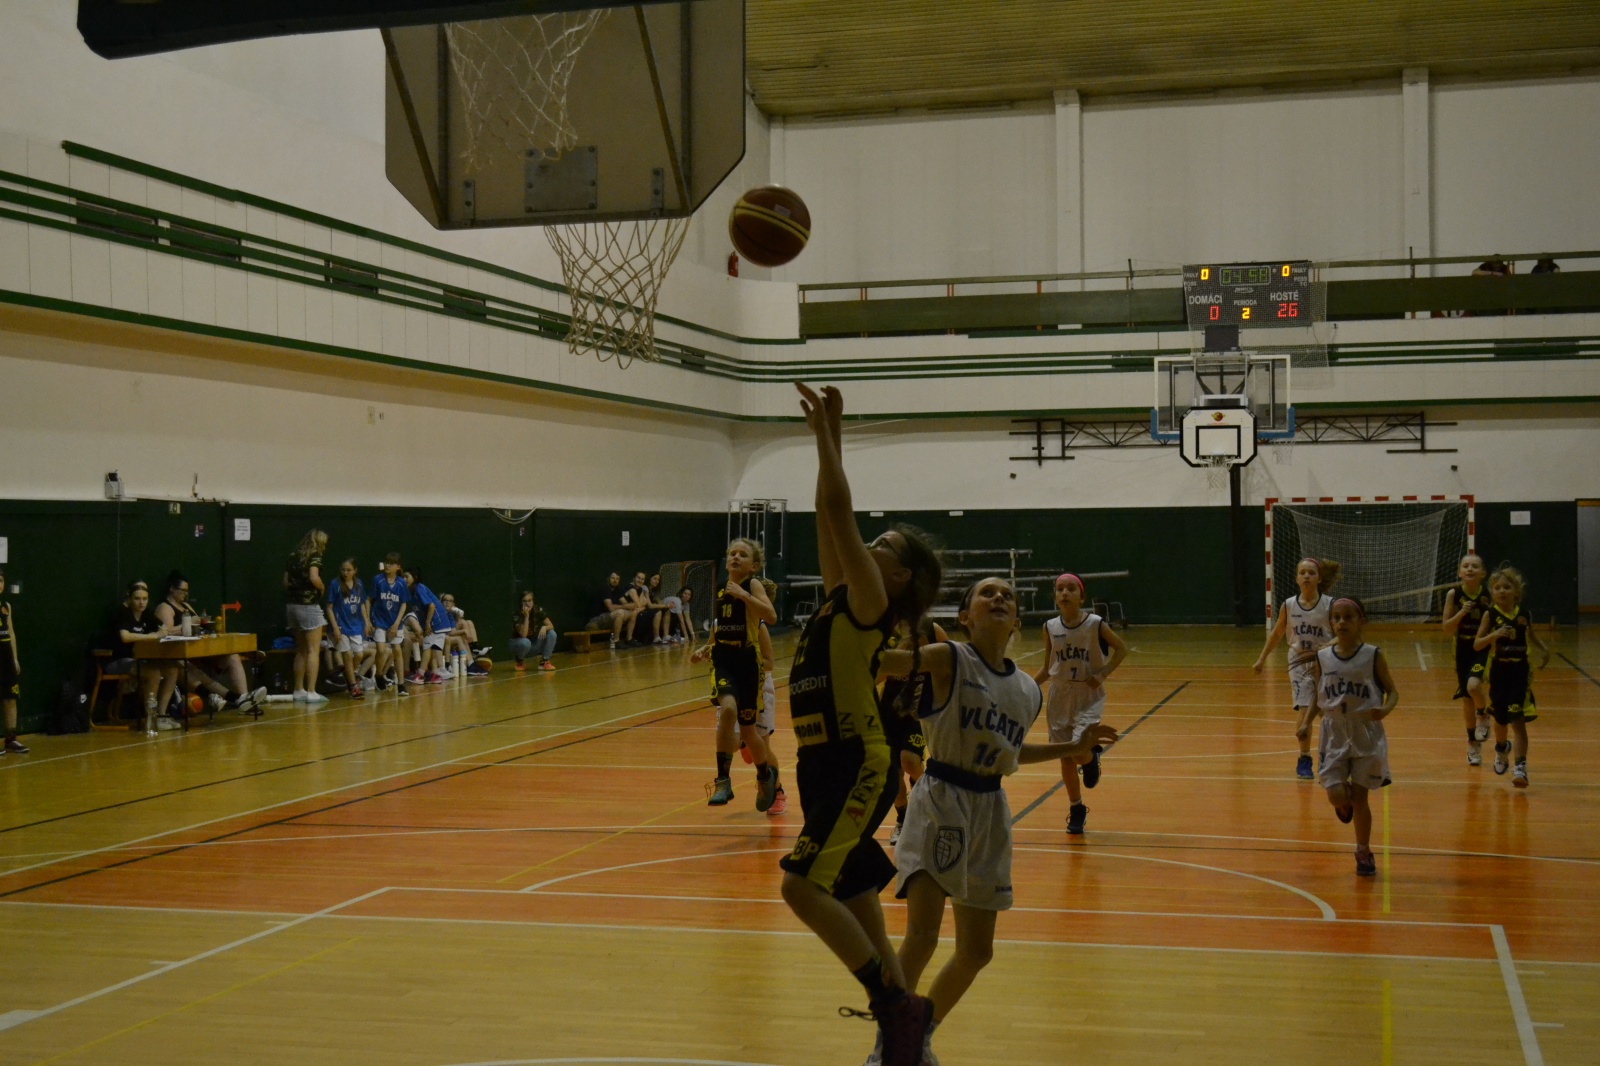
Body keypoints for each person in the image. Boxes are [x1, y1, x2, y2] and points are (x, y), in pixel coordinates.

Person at [884, 577, 1119, 1066]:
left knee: (976, 951)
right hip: (941, 798)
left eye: (1007, 595)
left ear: (1016, 622)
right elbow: (887, 664)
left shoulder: (1027, 691)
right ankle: (887, 1048)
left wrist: (1072, 747)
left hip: (990, 807)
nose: (998, 598)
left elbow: (1012, 753)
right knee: (922, 937)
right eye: (986, 593)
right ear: (965, 618)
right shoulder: (949, 658)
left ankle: (918, 1033)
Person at [778, 383, 944, 1066]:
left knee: (799, 886)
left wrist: (825, 436)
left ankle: (891, 1005)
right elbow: (829, 513)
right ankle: (907, 1044)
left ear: (899, 575)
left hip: (856, 758)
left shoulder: (873, 601)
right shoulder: (843, 595)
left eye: (880, 544)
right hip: (819, 761)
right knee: (860, 907)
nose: (864, 546)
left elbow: (840, 511)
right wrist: (832, 431)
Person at [1033, 572, 1128, 835]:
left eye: (1071, 589)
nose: (1064, 593)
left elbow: (1122, 648)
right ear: (1055, 596)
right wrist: (1025, 687)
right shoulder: (1049, 627)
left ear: (1081, 597)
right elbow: (1047, 668)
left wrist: (1103, 674)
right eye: (1060, 589)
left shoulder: (1095, 624)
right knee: (1065, 756)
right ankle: (1076, 808)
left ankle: (1089, 758)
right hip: (1060, 695)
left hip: (1087, 695)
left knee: (1077, 751)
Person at [1311, 597, 1399, 876]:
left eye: (1348, 617)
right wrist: (1305, 722)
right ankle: (1342, 803)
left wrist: (1384, 709)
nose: (1341, 623)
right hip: (1334, 731)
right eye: (1336, 618)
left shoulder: (1373, 655)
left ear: (1361, 621)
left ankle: (1363, 851)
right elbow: (1317, 694)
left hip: (1365, 731)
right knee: (1336, 794)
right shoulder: (1322, 657)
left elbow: (1393, 692)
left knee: (1361, 798)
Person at [690, 538, 781, 811]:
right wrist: (705, 648)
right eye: (732, 553)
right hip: (724, 662)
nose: (736, 557)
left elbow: (772, 616)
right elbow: (718, 633)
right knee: (727, 709)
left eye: (743, 554)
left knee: (750, 732)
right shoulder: (720, 590)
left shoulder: (751, 586)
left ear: (753, 566)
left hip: (747, 664)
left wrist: (743, 594)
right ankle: (722, 780)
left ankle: (765, 777)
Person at [1252, 557, 1341, 778]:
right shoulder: (1289, 605)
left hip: (1326, 663)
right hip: (1299, 663)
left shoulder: (1330, 605)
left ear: (1319, 578)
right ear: (1296, 578)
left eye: (1311, 573)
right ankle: (1304, 758)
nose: (1306, 576)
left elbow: (1343, 635)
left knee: (1327, 712)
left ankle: (1331, 755)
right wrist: (1261, 659)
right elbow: (1277, 634)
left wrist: (1328, 644)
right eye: (1302, 573)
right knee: (1304, 709)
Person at [1474, 565, 1550, 788]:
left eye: (1506, 587)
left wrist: (1545, 649)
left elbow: (1531, 635)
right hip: (1499, 672)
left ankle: (1520, 767)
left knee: (1518, 720)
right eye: (1497, 587)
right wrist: (1494, 635)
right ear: (1492, 592)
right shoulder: (1490, 614)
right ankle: (1501, 748)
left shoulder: (1524, 614)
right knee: (1500, 721)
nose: (1501, 591)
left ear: (1516, 591)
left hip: (1519, 672)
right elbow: (1477, 644)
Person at [151, 570, 265, 717]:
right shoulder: (165, 608)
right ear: (172, 589)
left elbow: (197, 624)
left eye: (187, 591)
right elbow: (165, 632)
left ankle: (245, 699)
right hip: (177, 654)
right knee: (190, 669)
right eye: (182, 590)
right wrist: (188, 624)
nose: (185, 594)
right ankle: (236, 699)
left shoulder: (186, 606)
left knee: (232, 657)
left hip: (198, 651)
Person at [880, 617, 945, 848]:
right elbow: (873, 675)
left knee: (909, 760)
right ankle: (903, 819)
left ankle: (922, 796)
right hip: (889, 711)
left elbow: (950, 666)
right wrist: (898, 657)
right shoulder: (883, 631)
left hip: (918, 709)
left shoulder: (932, 629)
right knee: (893, 774)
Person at [1441, 554, 1493, 764]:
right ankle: (1472, 743)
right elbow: (1446, 628)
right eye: (1466, 566)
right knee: (1466, 699)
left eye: (1475, 566)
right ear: (1459, 573)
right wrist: (1461, 613)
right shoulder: (1454, 594)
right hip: (1462, 649)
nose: (1470, 569)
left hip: (1482, 648)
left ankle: (1483, 714)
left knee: (1473, 687)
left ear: (1483, 573)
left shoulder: (1489, 594)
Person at [104, 580, 172, 723]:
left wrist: (160, 632)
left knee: (171, 669)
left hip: (138, 659)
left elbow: (164, 629)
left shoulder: (146, 614)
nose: (141, 602)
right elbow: (125, 636)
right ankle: (151, 716)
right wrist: (152, 636)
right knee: (153, 673)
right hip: (116, 661)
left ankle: (162, 712)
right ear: (129, 599)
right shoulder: (123, 613)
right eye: (137, 599)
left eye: (144, 599)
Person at [284, 529, 330, 704]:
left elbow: (285, 582)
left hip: (292, 606)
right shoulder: (315, 556)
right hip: (309, 606)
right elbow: (314, 577)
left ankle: (298, 689)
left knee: (301, 649)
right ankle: (311, 691)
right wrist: (321, 587)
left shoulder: (292, 556)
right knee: (313, 650)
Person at [324, 558, 373, 700]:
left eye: (349, 570)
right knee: (346, 654)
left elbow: (362, 604)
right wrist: (335, 628)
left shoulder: (359, 584)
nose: (345, 572)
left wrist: (367, 622)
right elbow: (329, 608)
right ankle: (353, 687)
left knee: (358, 655)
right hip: (341, 625)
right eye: (343, 570)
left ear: (355, 571)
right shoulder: (335, 584)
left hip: (356, 625)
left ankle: (345, 673)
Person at [368, 553, 411, 696]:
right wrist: (368, 620)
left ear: (398, 567)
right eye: (386, 562)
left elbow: (403, 604)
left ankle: (401, 684)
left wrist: (397, 624)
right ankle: (379, 674)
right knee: (381, 650)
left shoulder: (401, 583)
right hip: (379, 620)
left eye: (391, 563)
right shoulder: (378, 580)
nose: (387, 565)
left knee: (397, 650)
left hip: (395, 622)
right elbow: (368, 600)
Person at [404, 569, 453, 685]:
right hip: (440, 622)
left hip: (436, 622)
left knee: (427, 647)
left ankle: (420, 675)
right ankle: (435, 674)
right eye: (403, 577)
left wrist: (427, 623)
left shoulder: (419, 589)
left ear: (415, 577)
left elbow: (431, 606)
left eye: (407, 576)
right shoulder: (412, 591)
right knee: (434, 647)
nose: (404, 579)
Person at [0, 566, 25, 754]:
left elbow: (11, 633)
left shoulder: (6, 606)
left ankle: (11, 739)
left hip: (6, 656)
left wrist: (14, 659)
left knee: (10, 697)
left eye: (0, 580)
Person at [439, 594, 490, 676]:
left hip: (446, 636)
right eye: (445, 600)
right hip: (438, 638)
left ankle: (472, 657)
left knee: (463, 633)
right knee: (459, 638)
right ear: (441, 602)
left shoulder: (450, 614)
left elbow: (453, 631)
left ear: (453, 604)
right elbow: (447, 632)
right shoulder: (440, 613)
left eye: (450, 601)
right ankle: (470, 663)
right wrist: (463, 631)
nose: (447, 602)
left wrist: (463, 631)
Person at [585, 572, 637, 650]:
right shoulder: (605, 589)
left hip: (610, 617)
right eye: (613, 578)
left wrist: (631, 605)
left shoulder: (618, 590)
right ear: (608, 579)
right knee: (620, 613)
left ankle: (629, 639)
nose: (615, 580)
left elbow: (625, 603)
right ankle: (615, 641)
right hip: (597, 619)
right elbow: (610, 608)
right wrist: (626, 606)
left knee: (633, 613)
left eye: (617, 579)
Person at [511, 591, 557, 672]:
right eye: (524, 601)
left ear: (533, 601)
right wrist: (526, 617)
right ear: (521, 603)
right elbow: (524, 635)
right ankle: (520, 661)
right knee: (525, 642)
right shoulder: (517, 614)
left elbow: (551, 625)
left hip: (534, 643)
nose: (527, 603)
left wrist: (544, 627)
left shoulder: (538, 610)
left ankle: (544, 661)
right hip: (519, 645)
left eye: (529, 600)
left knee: (552, 633)